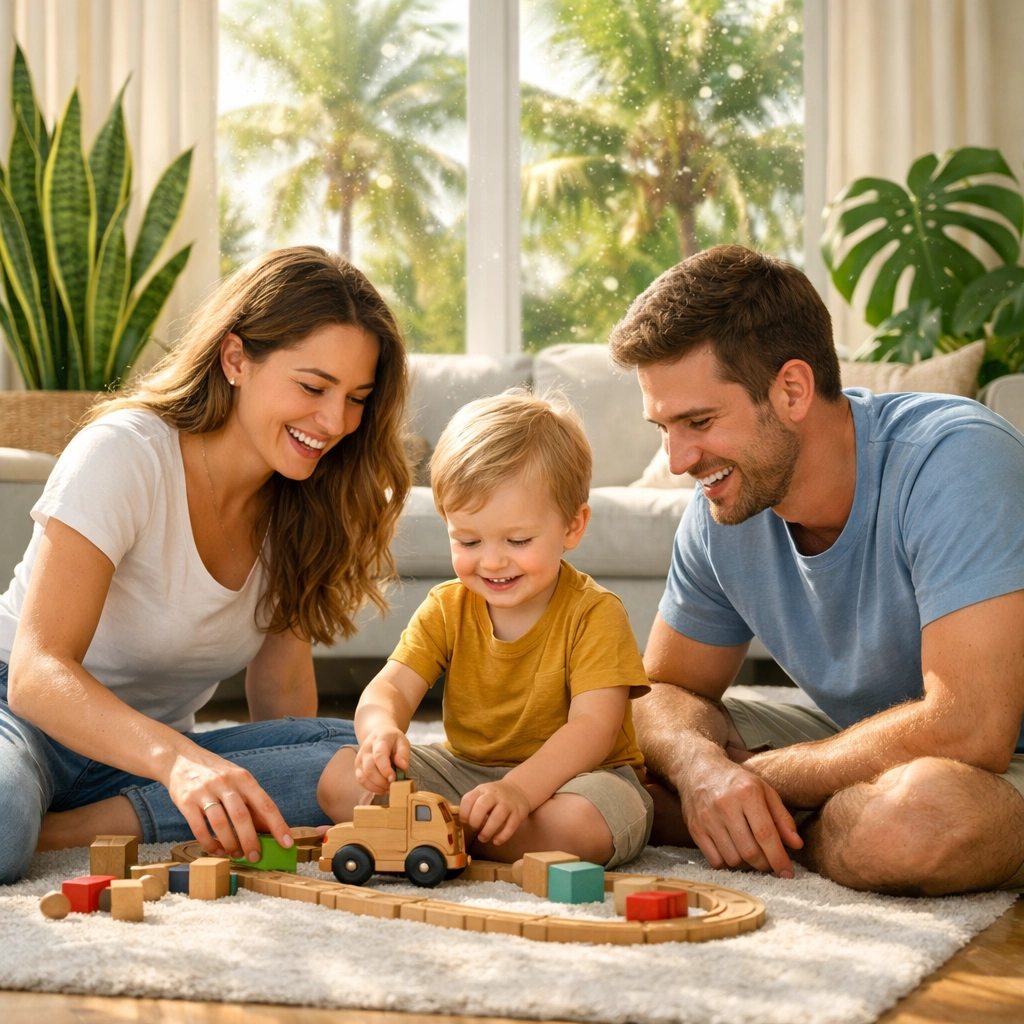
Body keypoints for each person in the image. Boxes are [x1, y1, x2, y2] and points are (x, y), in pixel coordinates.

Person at [608, 244, 1024, 896]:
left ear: (793, 390)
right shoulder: (722, 506)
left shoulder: (954, 457)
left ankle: (774, 824)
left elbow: (971, 727)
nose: (679, 458)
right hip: (865, 739)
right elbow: (661, 691)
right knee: (614, 754)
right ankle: (779, 817)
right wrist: (700, 770)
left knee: (912, 824)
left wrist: (765, 780)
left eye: (698, 421)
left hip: (995, 761)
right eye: (663, 426)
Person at [0, 246, 411, 883]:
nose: (335, 422)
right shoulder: (127, 453)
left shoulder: (302, 502)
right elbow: (36, 672)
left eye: (357, 397)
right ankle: (41, 821)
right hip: (23, 720)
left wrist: (292, 792)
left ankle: (67, 828)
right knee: (2, 815)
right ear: (236, 357)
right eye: (312, 386)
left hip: (136, 757)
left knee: (357, 763)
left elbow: (280, 701)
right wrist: (177, 763)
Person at [317, 391, 653, 867]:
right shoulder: (448, 605)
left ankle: (440, 833)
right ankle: (463, 830)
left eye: (518, 540)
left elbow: (592, 730)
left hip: (579, 779)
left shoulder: (595, 613)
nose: (492, 561)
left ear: (573, 527)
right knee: (338, 779)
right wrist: (379, 732)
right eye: (468, 540)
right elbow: (391, 687)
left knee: (583, 826)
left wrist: (519, 790)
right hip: (467, 775)